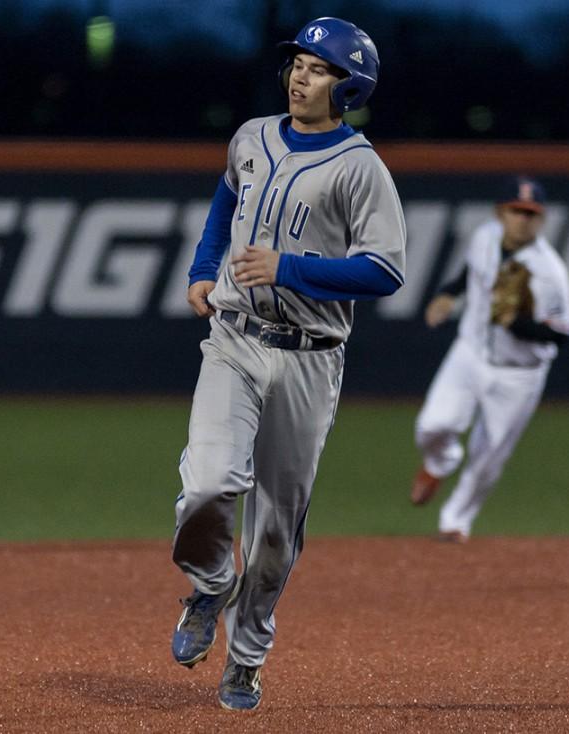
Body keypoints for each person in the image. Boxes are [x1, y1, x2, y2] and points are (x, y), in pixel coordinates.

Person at [171, 17, 406, 711]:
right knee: (208, 485)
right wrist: (203, 267)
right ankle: (211, 582)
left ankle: (245, 658)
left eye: (319, 67)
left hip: (309, 360)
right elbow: (226, 197)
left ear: (349, 86)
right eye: (299, 62)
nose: (301, 75)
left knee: (275, 529)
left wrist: (289, 267)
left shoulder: (361, 168)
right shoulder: (251, 135)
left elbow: (384, 270)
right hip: (235, 337)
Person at [410, 177, 569, 542]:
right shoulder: (485, 237)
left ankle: (455, 521)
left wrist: (518, 324)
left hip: (519, 374)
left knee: (488, 458)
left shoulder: (550, 272)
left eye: (531, 213)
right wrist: (448, 295)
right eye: (517, 211)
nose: (523, 219)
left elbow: (561, 333)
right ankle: (440, 461)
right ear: (500, 212)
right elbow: (471, 272)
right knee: (432, 426)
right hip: (469, 353)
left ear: (541, 219)